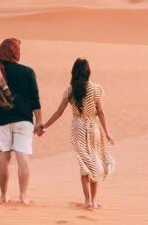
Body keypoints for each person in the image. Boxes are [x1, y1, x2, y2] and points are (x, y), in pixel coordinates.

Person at [39, 57, 115, 209]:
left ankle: (87, 200)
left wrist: (45, 127)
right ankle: (93, 201)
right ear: (88, 72)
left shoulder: (70, 90)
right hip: (93, 127)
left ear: (74, 72)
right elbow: (100, 112)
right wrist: (107, 132)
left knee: (84, 164)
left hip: (77, 128)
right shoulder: (95, 89)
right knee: (94, 161)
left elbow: (58, 112)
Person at [0, 38, 43, 203]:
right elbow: (35, 99)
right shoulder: (28, 72)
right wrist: (39, 121)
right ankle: (23, 197)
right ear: (15, 52)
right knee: (23, 158)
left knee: (3, 158)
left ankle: (3, 196)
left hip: (2, 121)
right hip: (24, 121)